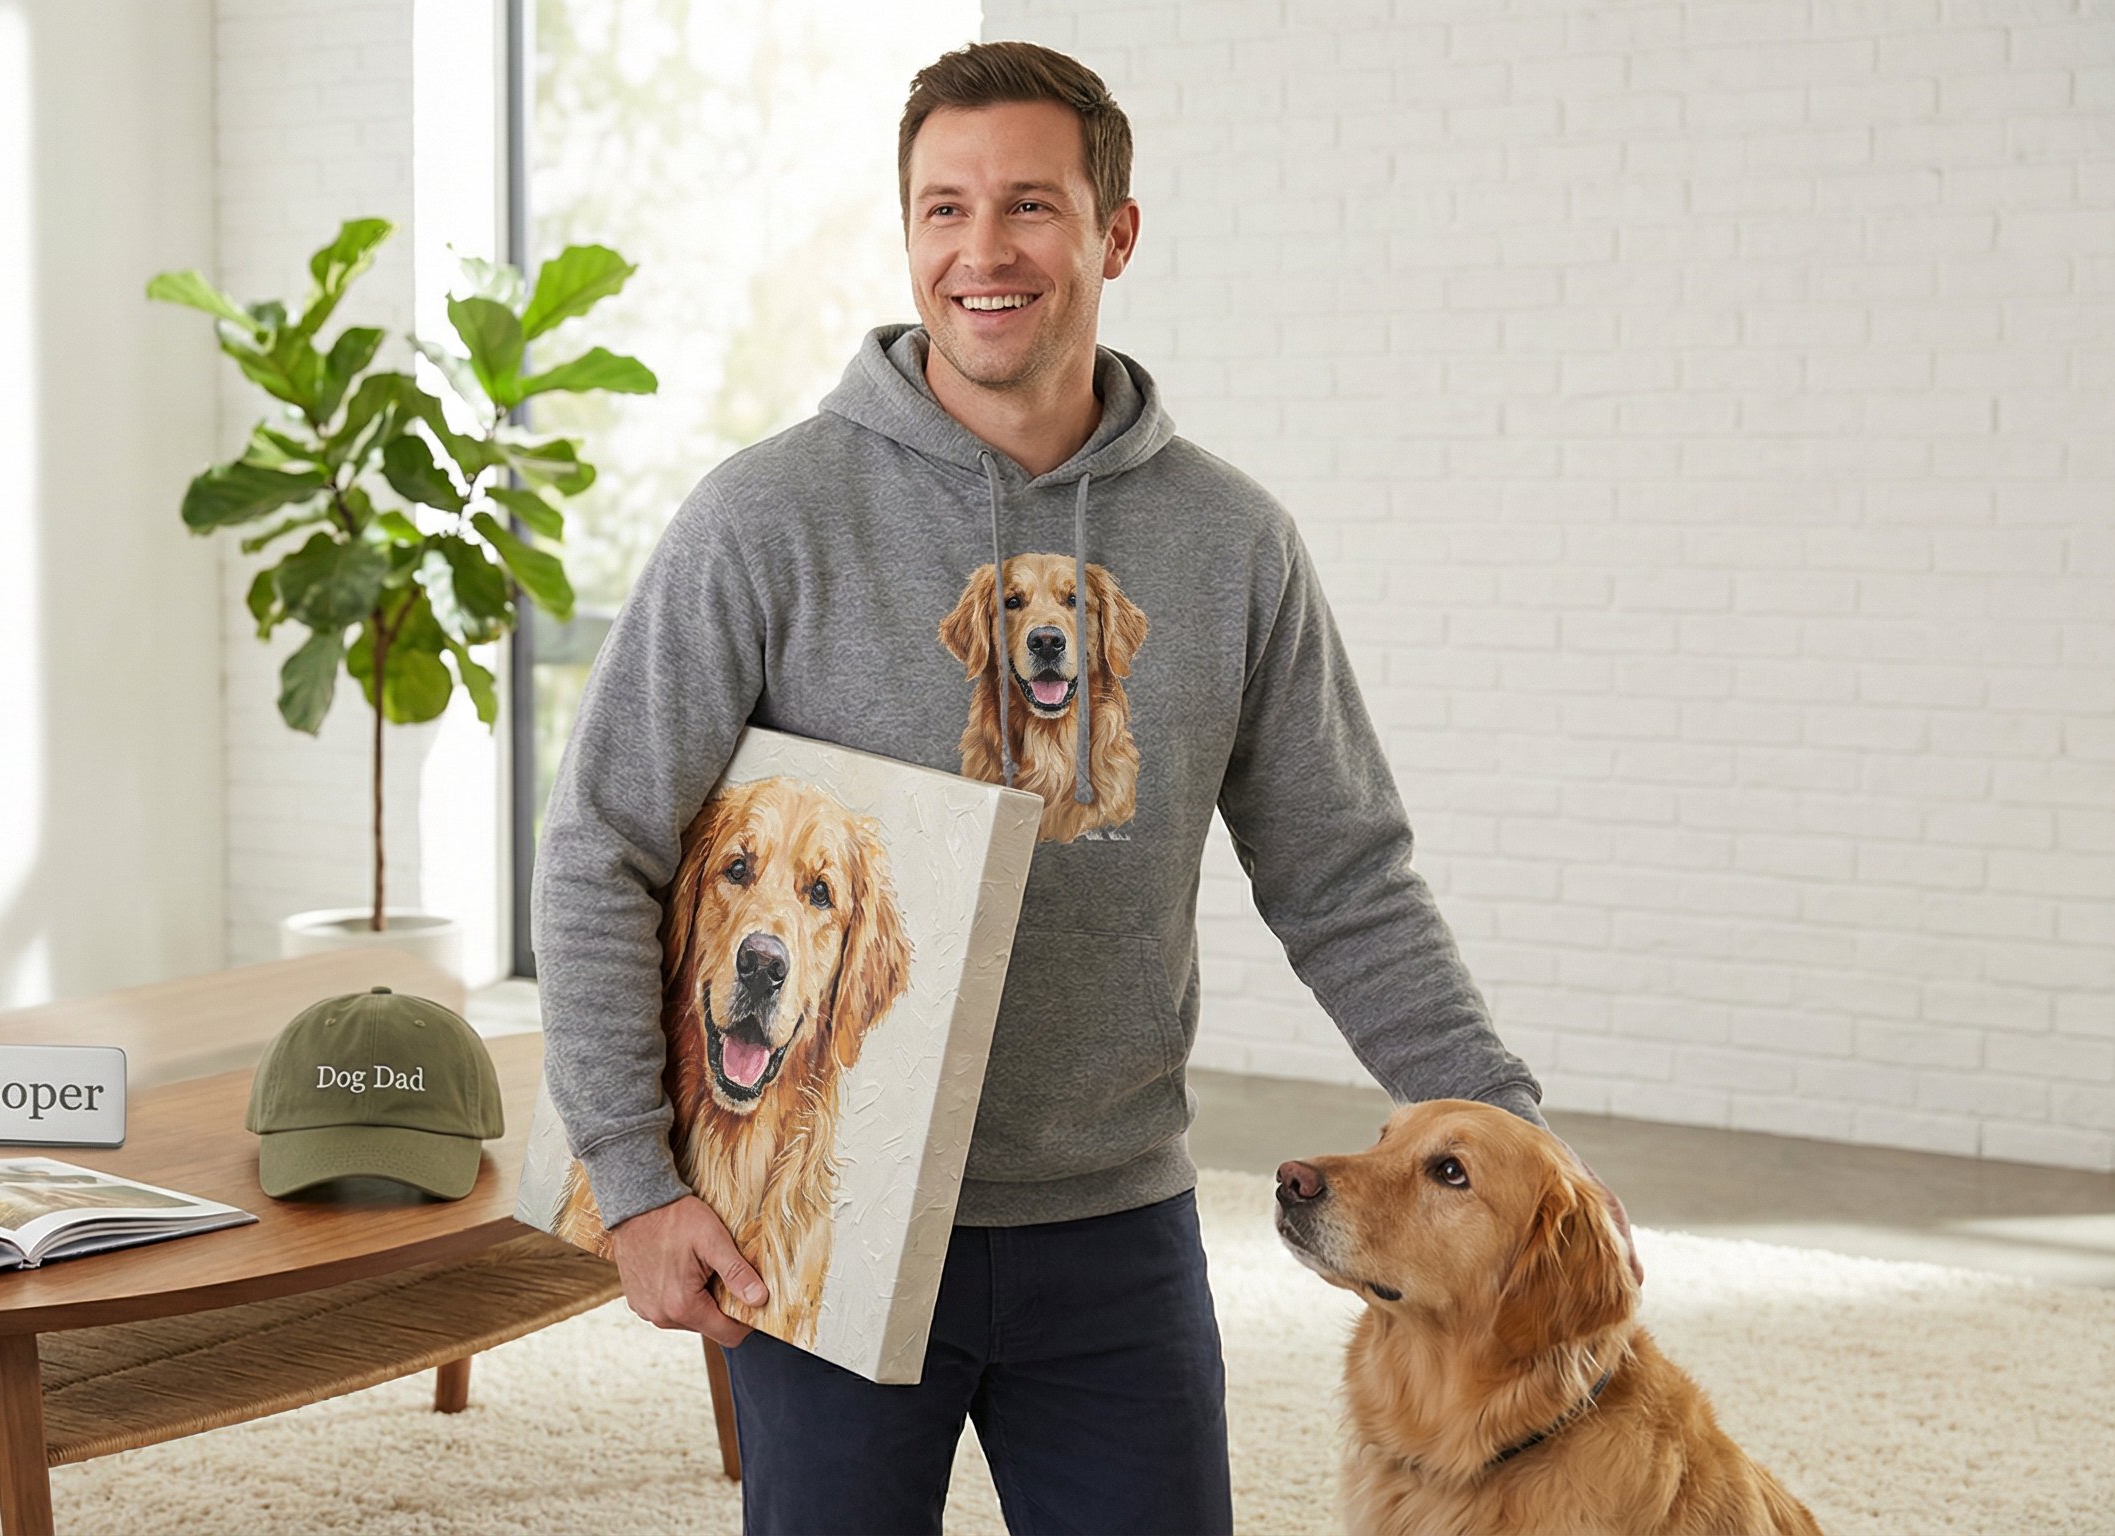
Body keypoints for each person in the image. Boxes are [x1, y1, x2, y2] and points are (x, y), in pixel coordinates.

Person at [529, 38, 1637, 1536]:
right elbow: (603, 847)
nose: (982, 251)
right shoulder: (763, 520)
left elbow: (1344, 878)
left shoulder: (1234, 542)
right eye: (943, 209)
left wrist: (1516, 1126)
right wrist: (635, 1175)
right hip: (831, 1219)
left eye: (1030, 206)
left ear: (1114, 233)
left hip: (1118, 1225)